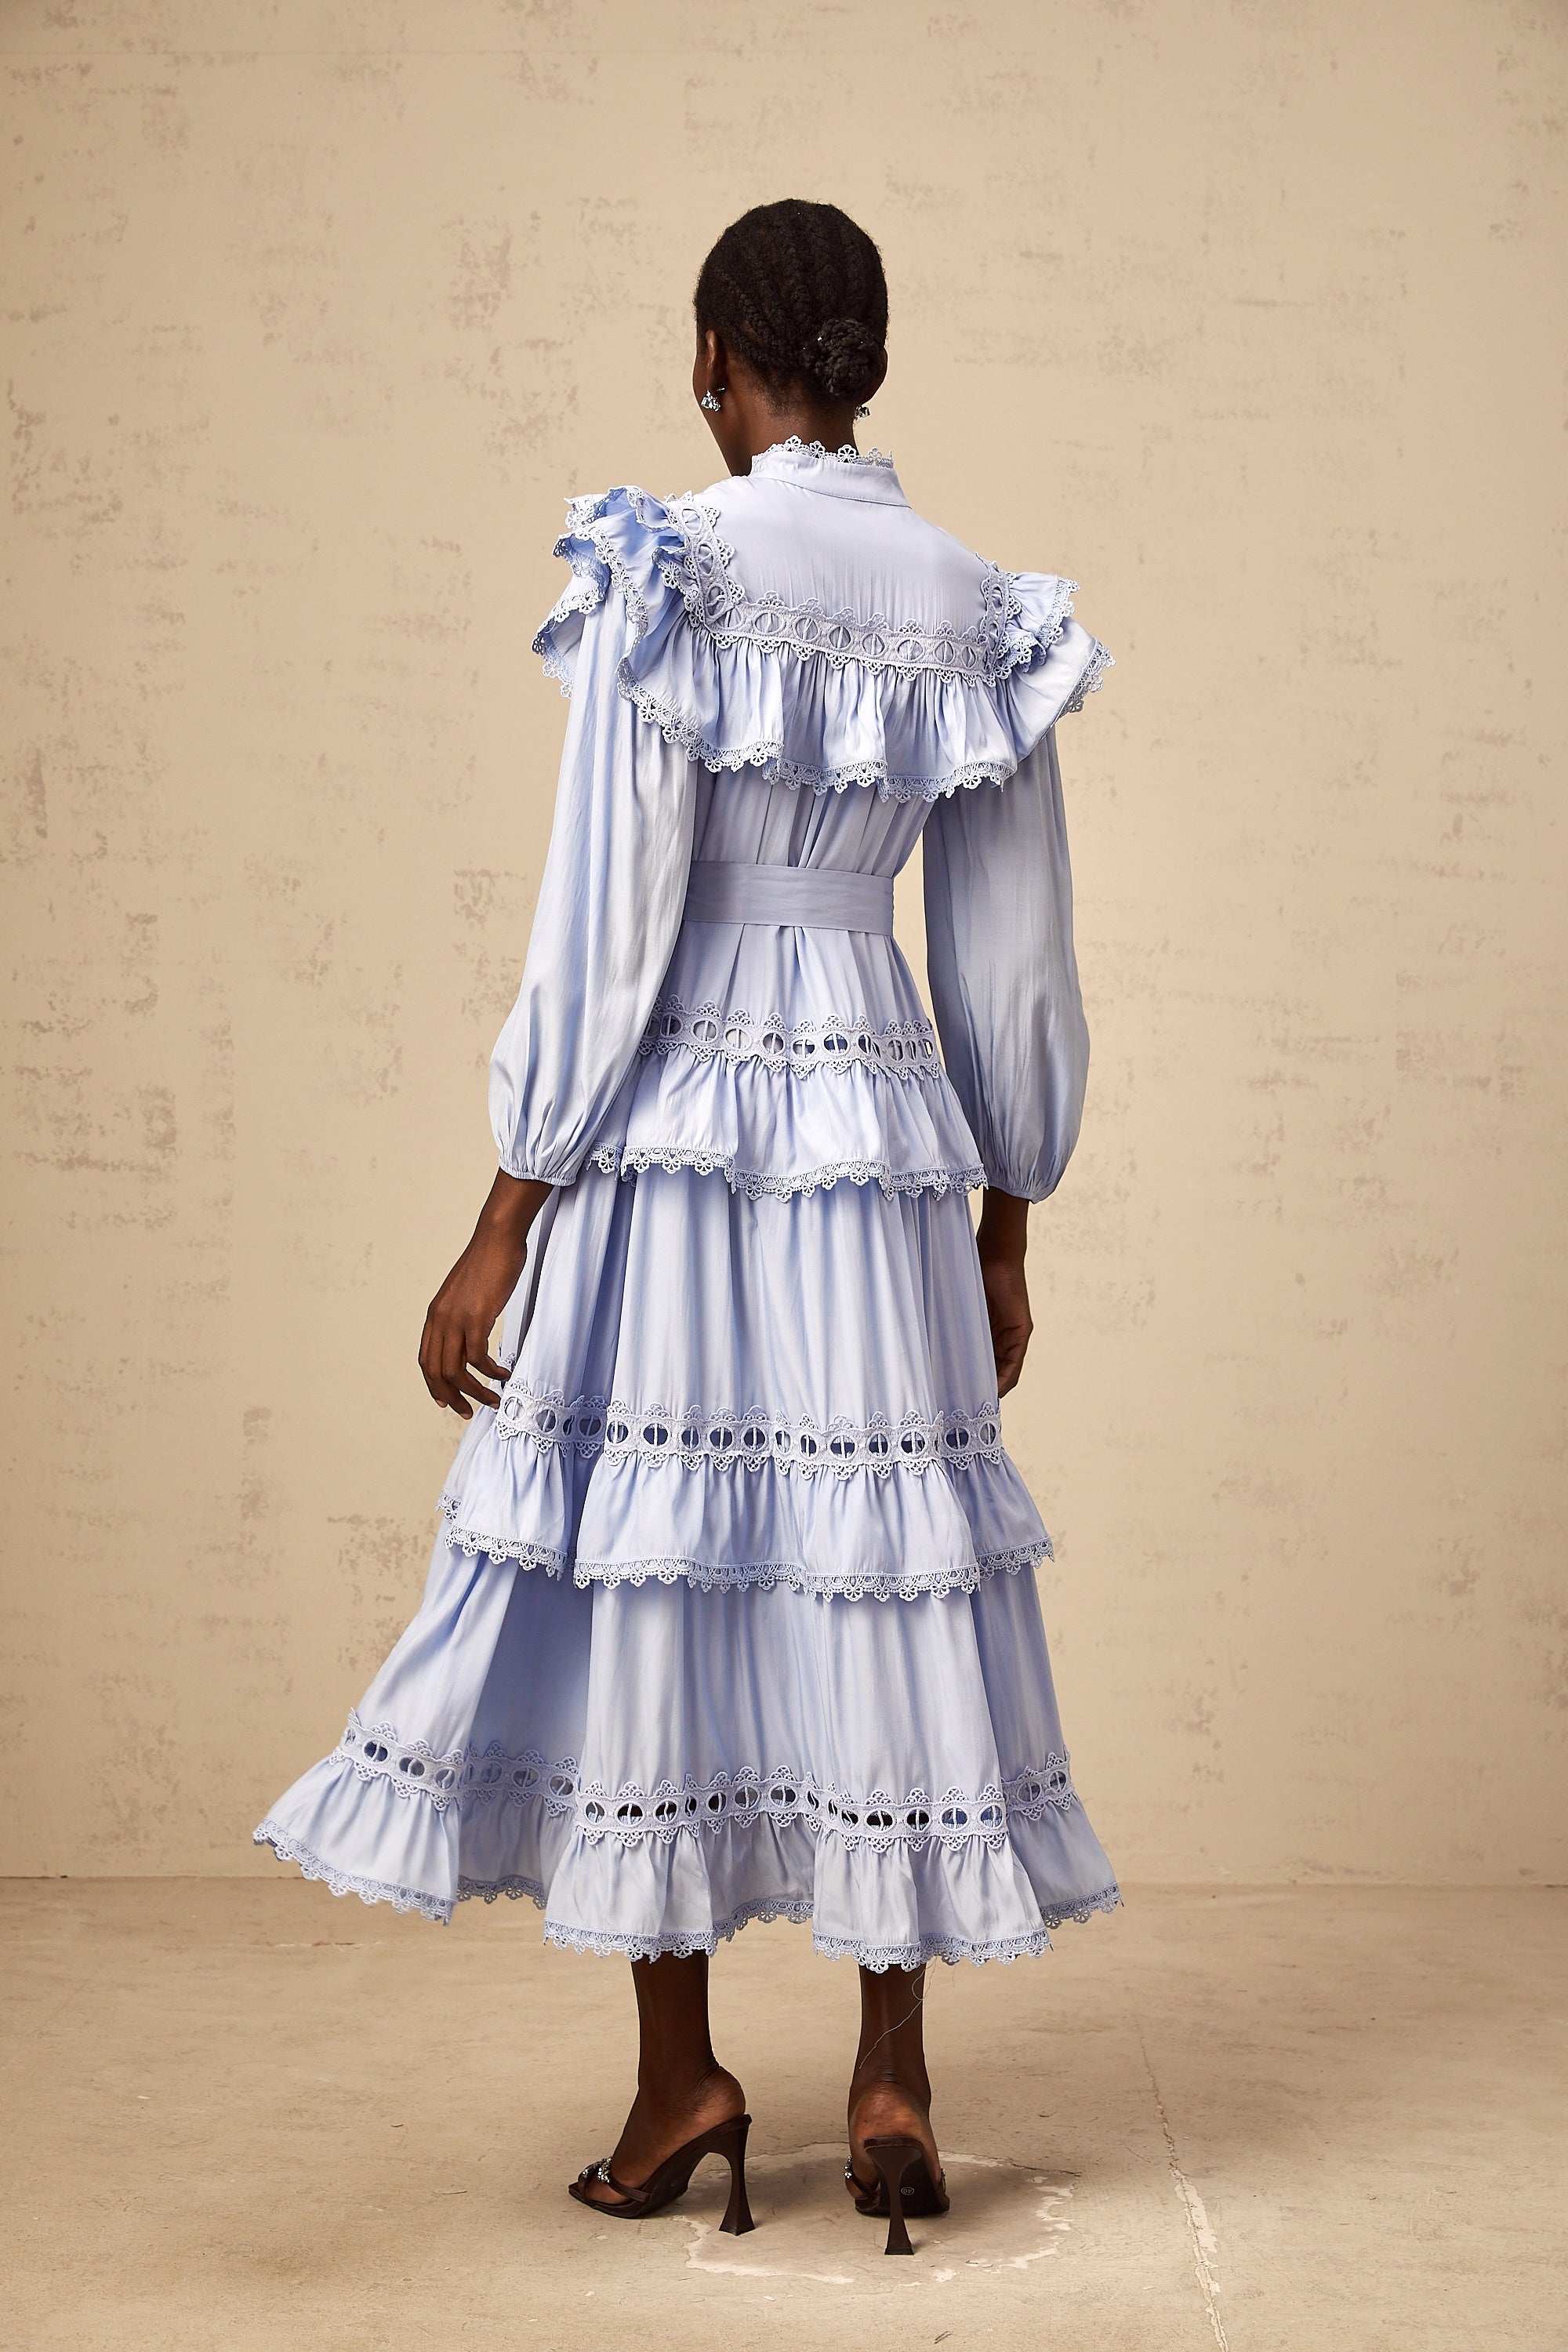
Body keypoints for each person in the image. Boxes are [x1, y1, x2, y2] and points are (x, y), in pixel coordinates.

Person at [256, 198, 1118, 2256]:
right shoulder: (974, 605)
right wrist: (1006, 1219)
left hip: (678, 1118)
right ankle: (891, 2079)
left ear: (723, 359)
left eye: (702, 359)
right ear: (866, 361)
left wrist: (505, 1208)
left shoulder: (674, 566)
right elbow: (1012, 961)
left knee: (667, 1558)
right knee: (878, 1565)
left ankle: (682, 2083)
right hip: (878, 1126)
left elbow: (609, 916)